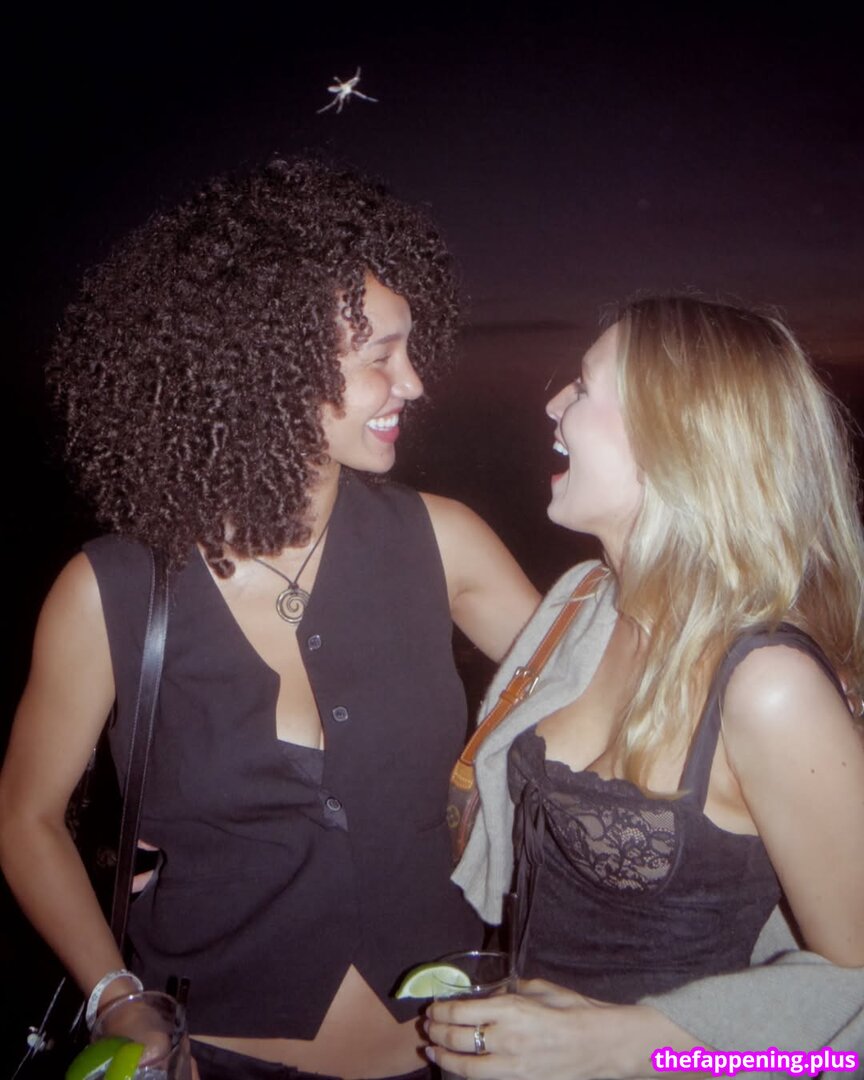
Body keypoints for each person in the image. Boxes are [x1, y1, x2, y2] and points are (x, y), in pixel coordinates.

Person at [0, 158, 541, 1080]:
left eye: (410, 351)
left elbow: (601, 701)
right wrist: (116, 997)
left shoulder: (444, 541)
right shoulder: (110, 590)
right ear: (270, 365)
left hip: (449, 1055)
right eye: (381, 357)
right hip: (214, 1055)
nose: (414, 383)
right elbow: (29, 818)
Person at [428, 297, 864, 1078]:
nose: (553, 406)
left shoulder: (767, 685)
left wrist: (634, 1044)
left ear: (677, 438)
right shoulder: (581, 604)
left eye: (585, 387)